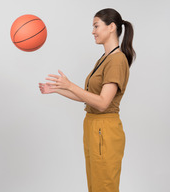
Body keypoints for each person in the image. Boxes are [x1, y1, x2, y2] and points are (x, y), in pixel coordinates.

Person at [39, 8, 135, 192]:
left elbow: (102, 103)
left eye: (96, 26)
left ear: (112, 27)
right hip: (93, 126)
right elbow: (89, 97)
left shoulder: (117, 60)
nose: (93, 31)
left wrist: (70, 85)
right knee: (95, 186)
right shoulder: (104, 58)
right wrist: (58, 89)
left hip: (105, 129)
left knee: (104, 187)